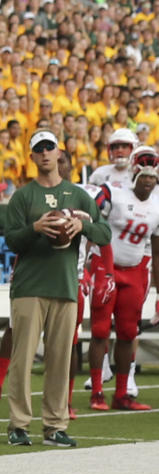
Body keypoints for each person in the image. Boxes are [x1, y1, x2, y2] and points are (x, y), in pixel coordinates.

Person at [4, 130, 111, 447]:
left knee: (61, 359)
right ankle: (18, 425)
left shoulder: (77, 196)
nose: (45, 153)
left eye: (50, 147)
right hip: (28, 286)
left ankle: (54, 426)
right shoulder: (23, 196)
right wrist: (35, 228)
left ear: (59, 153)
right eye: (39, 149)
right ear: (33, 157)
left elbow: (104, 232)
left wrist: (83, 226)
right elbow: (10, 239)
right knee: (23, 359)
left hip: (65, 286)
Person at [87, 145, 159, 411]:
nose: (149, 181)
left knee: (128, 332)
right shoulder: (111, 193)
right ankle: (96, 391)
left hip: (135, 269)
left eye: (153, 176)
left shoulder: (157, 204)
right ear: (135, 174)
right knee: (100, 331)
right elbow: (91, 225)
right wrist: (91, 265)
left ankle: (121, 393)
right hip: (106, 265)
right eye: (145, 176)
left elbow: (158, 252)